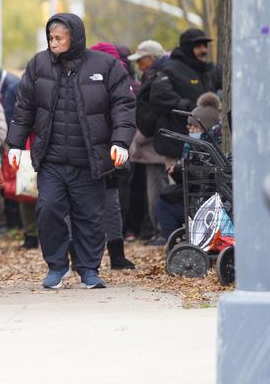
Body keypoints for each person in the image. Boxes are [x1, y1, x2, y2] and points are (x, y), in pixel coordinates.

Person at [6, 14, 135, 290]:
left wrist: (120, 141)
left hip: (89, 159)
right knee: (48, 209)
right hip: (51, 159)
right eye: (50, 38)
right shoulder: (38, 65)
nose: (53, 43)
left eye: (59, 38)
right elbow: (24, 106)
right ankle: (57, 266)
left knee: (89, 216)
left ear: (73, 38)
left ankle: (89, 269)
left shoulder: (106, 65)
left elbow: (123, 105)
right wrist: (15, 144)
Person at [90, 42, 136, 270]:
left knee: (96, 204)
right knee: (110, 204)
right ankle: (114, 255)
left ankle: (85, 258)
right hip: (108, 148)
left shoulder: (92, 77)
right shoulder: (120, 78)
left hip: (101, 149)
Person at [0, 58, 36, 249]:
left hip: (33, 145)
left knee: (31, 190)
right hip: (28, 145)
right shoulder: (24, 90)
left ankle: (34, 234)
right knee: (27, 189)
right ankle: (32, 233)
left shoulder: (18, 88)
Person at [155, 94, 223, 240]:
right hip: (192, 195)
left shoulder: (215, 145)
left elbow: (209, 175)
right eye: (189, 126)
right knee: (164, 200)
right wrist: (177, 171)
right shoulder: (189, 144)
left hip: (209, 199)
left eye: (195, 126)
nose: (190, 130)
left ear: (207, 127)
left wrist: (183, 169)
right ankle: (174, 241)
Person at [151, 28, 221, 161]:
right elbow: (158, 95)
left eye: (205, 46)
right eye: (198, 47)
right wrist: (189, 108)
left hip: (207, 148)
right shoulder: (172, 70)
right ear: (188, 48)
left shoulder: (208, 70)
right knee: (179, 181)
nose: (204, 50)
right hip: (177, 147)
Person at [127, 39, 170, 245]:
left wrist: (141, 133)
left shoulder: (158, 78)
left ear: (150, 59)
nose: (137, 65)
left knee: (158, 189)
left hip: (154, 146)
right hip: (152, 145)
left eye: (140, 60)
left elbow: (152, 112)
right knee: (154, 189)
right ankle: (159, 230)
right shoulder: (153, 76)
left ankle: (163, 231)